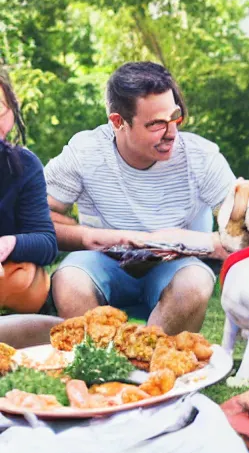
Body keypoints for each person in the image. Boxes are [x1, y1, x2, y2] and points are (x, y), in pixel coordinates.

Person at [45, 61, 236, 335]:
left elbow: (246, 229)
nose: (171, 133)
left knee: (195, 282)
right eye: (156, 124)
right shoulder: (84, 152)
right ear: (118, 122)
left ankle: (154, 363)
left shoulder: (202, 157)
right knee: (69, 280)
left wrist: (174, 239)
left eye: (175, 117)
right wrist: (86, 235)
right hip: (103, 261)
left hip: (175, 265)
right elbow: (38, 218)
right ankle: (104, 365)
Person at [0, 71, 58, 317]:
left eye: (1, 109)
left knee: (24, 278)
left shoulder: (24, 165)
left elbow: (46, 242)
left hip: (17, 291)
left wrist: (9, 243)